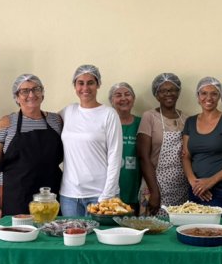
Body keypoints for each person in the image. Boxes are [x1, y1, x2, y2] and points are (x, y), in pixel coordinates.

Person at [0, 74, 63, 221]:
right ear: (16, 97)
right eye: (25, 91)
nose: (31, 94)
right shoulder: (5, 123)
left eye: (36, 89)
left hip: (51, 197)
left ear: (42, 93)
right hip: (16, 195)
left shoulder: (56, 120)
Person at [60, 65, 123, 217]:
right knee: (72, 238)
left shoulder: (109, 114)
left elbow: (115, 156)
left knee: (100, 240)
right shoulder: (67, 112)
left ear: (98, 84)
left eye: (90, 82)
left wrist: (107, 195)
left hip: (100, 194)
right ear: (75, 86)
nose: (85, 87)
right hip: (69, 196)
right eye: (80, 83)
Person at [181, 77, 222, 208]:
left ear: (219, 97)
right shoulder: (190, 122)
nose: (208, 98)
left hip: (220, 190)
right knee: (194, 228)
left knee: (216, 229)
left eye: (214, 93)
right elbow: (185, 156)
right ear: (198, 97)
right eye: (204, 93)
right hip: (195, 189)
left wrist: (210, 182)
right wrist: (194, 182)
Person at [136, 73, 188, 213]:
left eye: (172, 90)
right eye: (163, 91)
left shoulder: (186, 119)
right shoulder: (149, 117)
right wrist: (154, 192)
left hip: (180, 188)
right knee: (152, 230)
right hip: (154, 185)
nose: (168, 94)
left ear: (178, 93)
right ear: (156, 95)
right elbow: (143, 157)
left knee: (175, 229)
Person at [109, 82, 141, 213]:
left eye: (127, 94)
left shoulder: (142, 123)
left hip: (135, 189)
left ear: (133, 99)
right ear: (111, 101)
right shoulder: (106, 123)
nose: (123, 98)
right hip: (109, 190)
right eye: (118, 95)